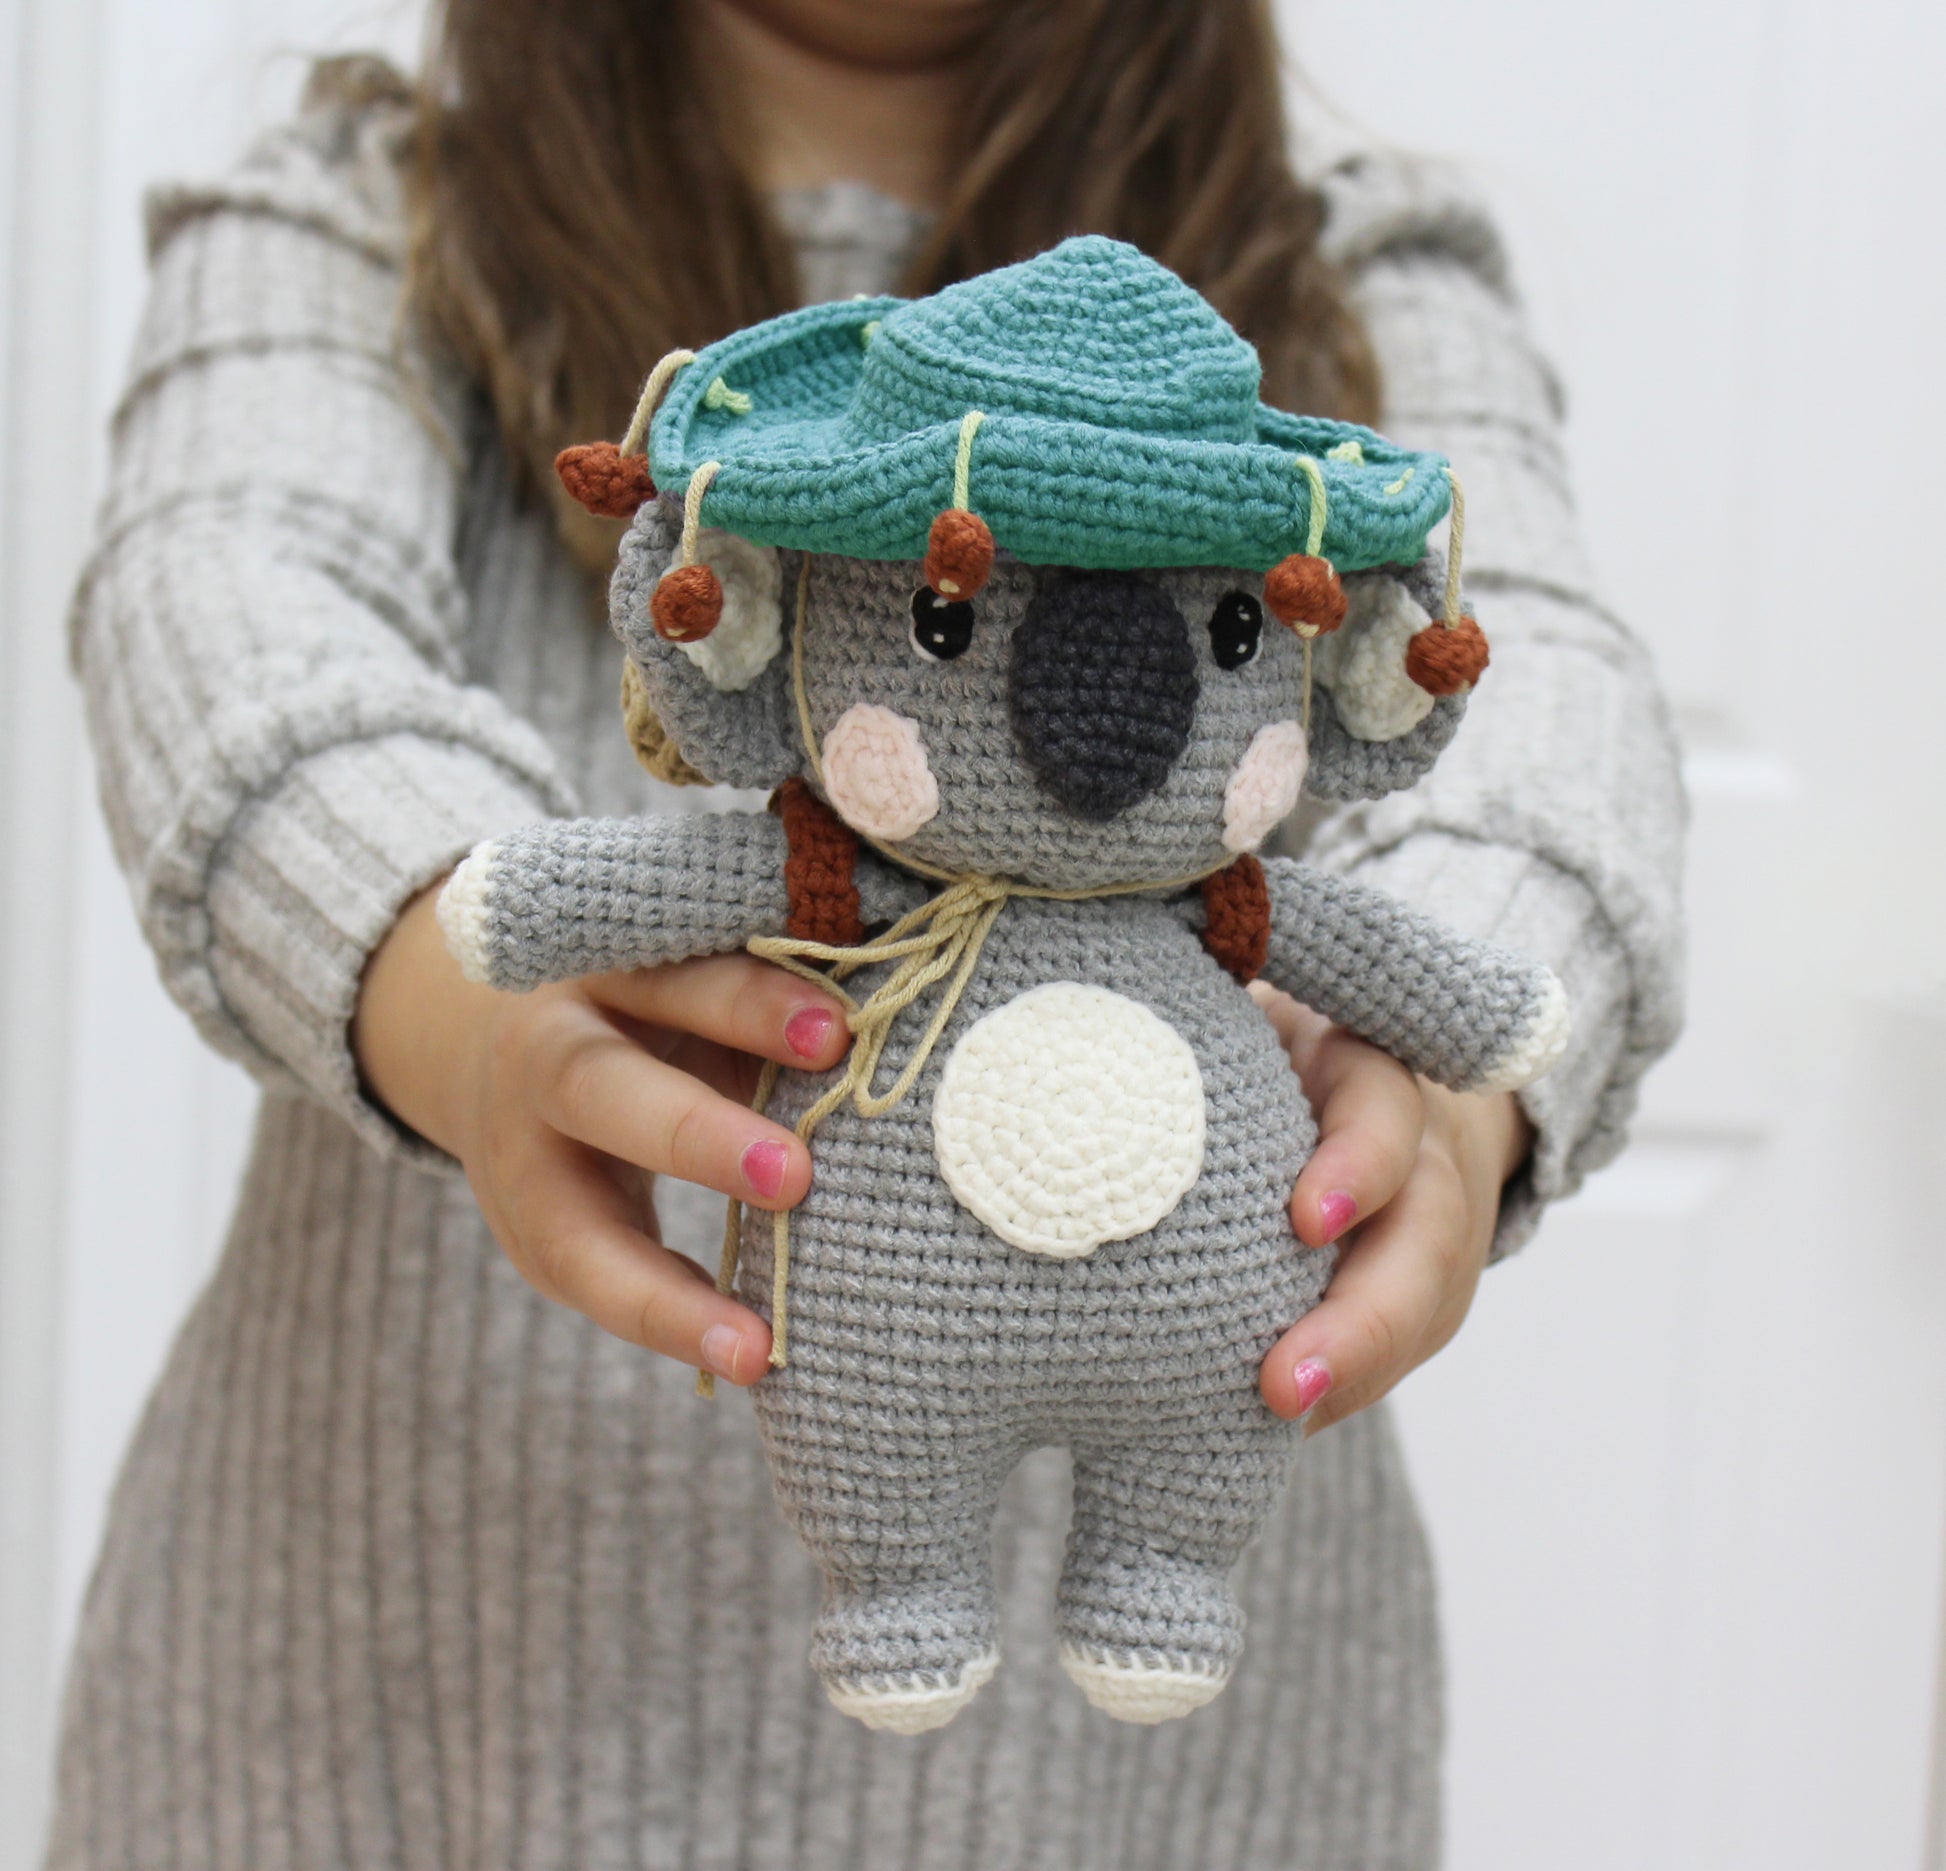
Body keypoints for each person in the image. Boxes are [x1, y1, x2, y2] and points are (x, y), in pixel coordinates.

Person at [45, 2, 1684, 1866]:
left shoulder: (1359, 268)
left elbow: (1551, 705)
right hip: (393, 1722)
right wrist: (455, 988)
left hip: (1159, 1785)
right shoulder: (367, 210)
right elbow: (229, 601)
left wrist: (1448, 1092)